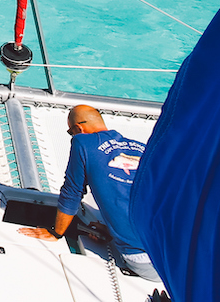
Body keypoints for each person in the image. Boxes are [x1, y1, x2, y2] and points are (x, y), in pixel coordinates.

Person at [18, 104, 160, 282]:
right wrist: (112, 229)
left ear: (78, 128)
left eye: (71, 132)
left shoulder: (83, 142)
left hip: (145, 259)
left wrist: (56, 232)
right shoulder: (142, 147)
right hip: (178, 249)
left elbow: (72, 192)